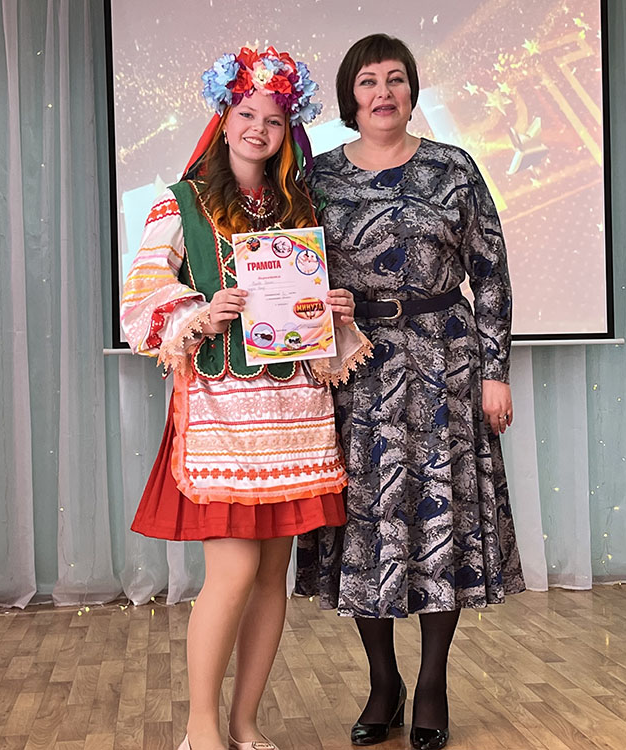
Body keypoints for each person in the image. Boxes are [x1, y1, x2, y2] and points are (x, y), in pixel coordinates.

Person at [121, 46, 366, 750]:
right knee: (230, 573)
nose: (259, 128)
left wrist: (334, 309)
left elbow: (308, 314)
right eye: (247, 114)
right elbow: (141, 296)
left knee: (269, 579)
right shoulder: (182, 202)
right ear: (224, 118)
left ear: (288, 131)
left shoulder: (299, 206)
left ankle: (245, 724)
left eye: (274, 120)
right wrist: (202, 312)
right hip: (224, 413)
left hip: (293, 416)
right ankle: (200, 729)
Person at [295, 33, 525, 750]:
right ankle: (381, 682)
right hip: (356, 371)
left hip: (445, 366)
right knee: (367, 528)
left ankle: (430, 686)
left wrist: (495, 371)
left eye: (395, 79)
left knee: (437, 522)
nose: (383, 93)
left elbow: (490, 272)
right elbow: (294, 275)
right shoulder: (318, 177)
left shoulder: (453, 167)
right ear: (350, 96)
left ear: (413, 90)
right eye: (368, 81)